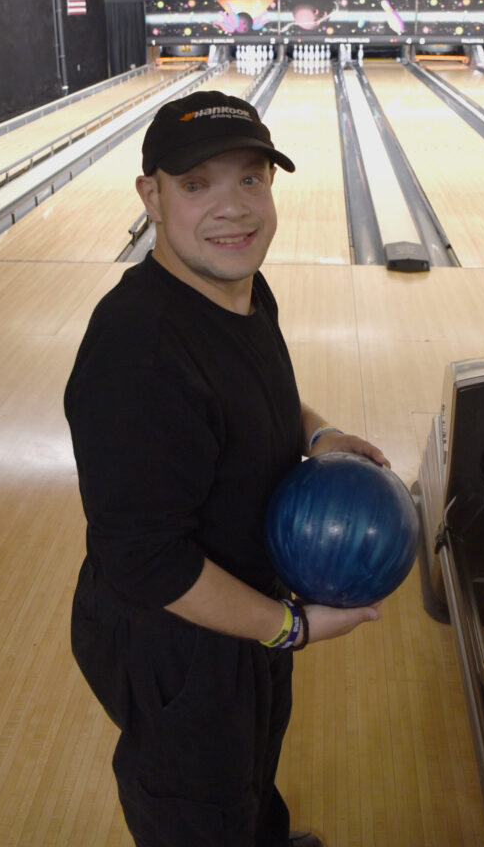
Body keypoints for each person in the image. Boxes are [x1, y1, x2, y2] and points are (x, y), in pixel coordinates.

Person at [64, 89, 390, 847]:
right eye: (196, 183)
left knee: (249, 761)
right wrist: (291, 629)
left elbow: (255, 389)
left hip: (243, 603)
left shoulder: (238, 288)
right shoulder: (138, 359)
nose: (232, 209)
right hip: (177, 639)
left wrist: (321, 432)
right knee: (194, 802)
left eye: (249, 178)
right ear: (150, 194)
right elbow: (148, 562)